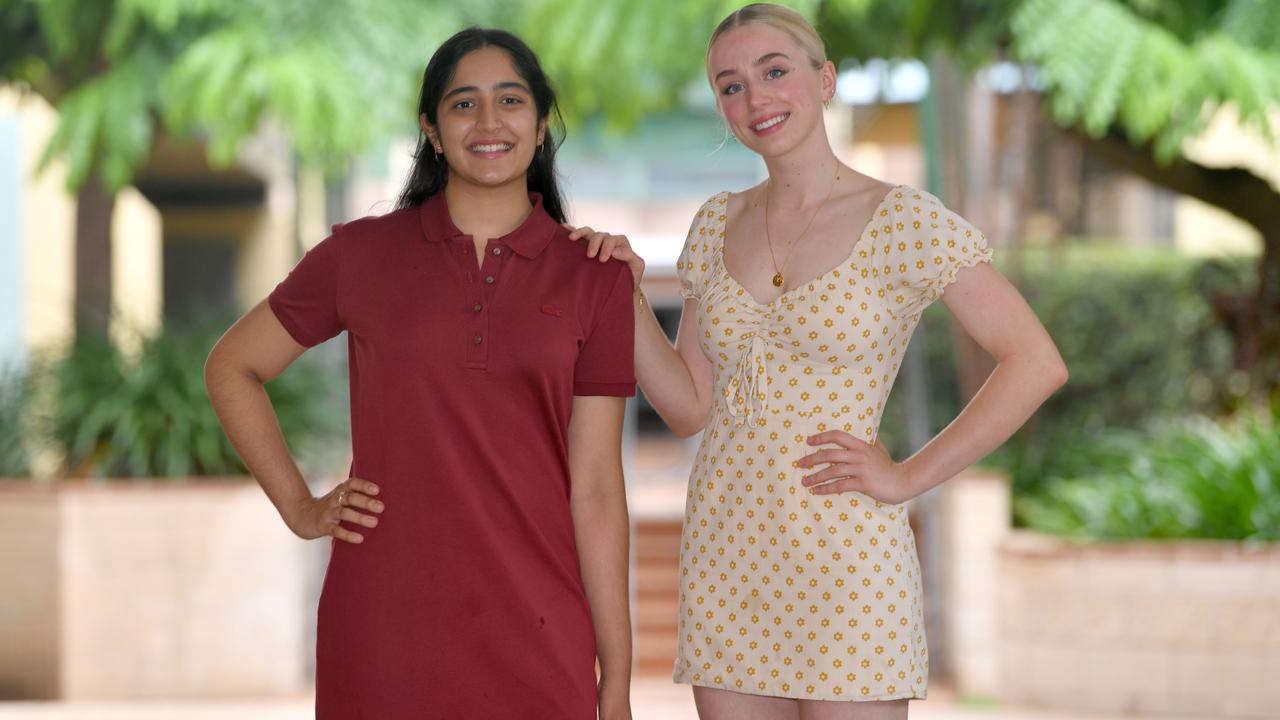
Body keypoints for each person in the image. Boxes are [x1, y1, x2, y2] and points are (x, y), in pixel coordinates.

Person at [569, 3, 1067, 717]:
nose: (755, 98)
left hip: (849, 560)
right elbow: (688, 408)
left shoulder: (904, 220)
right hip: (727, 554)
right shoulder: (715, 222)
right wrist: (629, 296)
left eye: (775, 71)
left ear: (825, 79)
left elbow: (1034, 361)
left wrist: (905, 477)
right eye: (731, 85)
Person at [205, 27, 635, 720]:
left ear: (540, 121)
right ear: (432, 131)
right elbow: (232, 366)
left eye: (510, 100)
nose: (489, 122)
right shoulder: (360, 255)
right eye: (463, 105)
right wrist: (300, 507)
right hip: (385, 620)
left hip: (541, 624)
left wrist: (616, 678)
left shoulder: (597, 278)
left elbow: (596, 491)